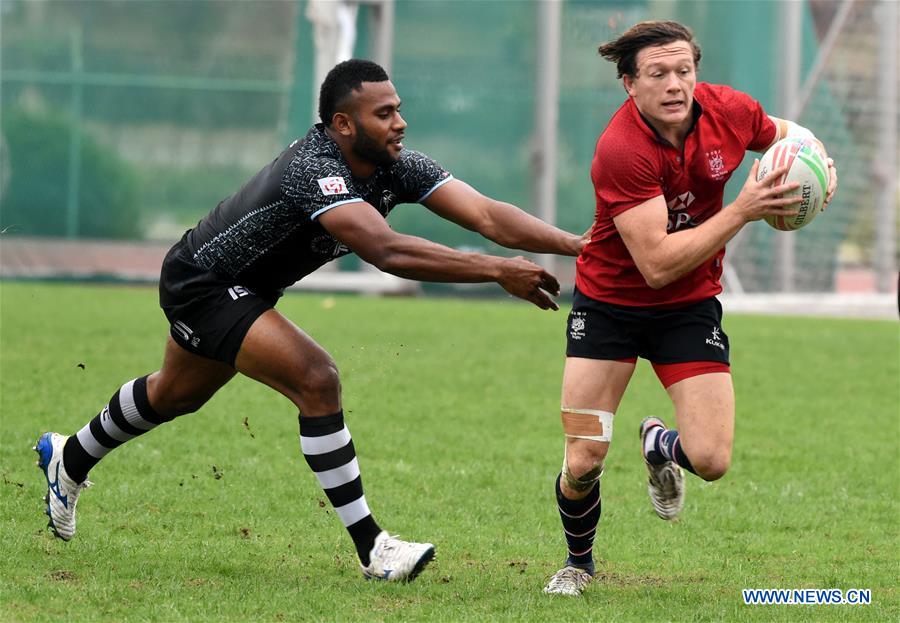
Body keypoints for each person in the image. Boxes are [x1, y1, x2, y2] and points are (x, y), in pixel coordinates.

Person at [34, 58, 585, 583]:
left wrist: (577, 245)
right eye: (385, 113)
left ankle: (70, 455)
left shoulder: (399, 165)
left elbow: (487, 214)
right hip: (203, 284)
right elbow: (386, 251)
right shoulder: (313, 167)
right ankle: (374, 548)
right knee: (317, 379)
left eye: (398, 108)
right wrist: (496, 271)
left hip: (242, 287)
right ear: (343, 125)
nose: (401, 122)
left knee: (175, 394)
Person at [542, 21, 838, 596]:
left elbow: (785, 130)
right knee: (582, 459)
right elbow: (655, 264)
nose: (676, 85)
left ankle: (659, 444)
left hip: (688, 307)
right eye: (658, 74)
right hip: (607, 308)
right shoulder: (620, 150)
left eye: (685, 71)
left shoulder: (729, 111)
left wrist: (818, 164)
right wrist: (744, 209)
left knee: (710, 459)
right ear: (630, 84)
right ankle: (578, 564)